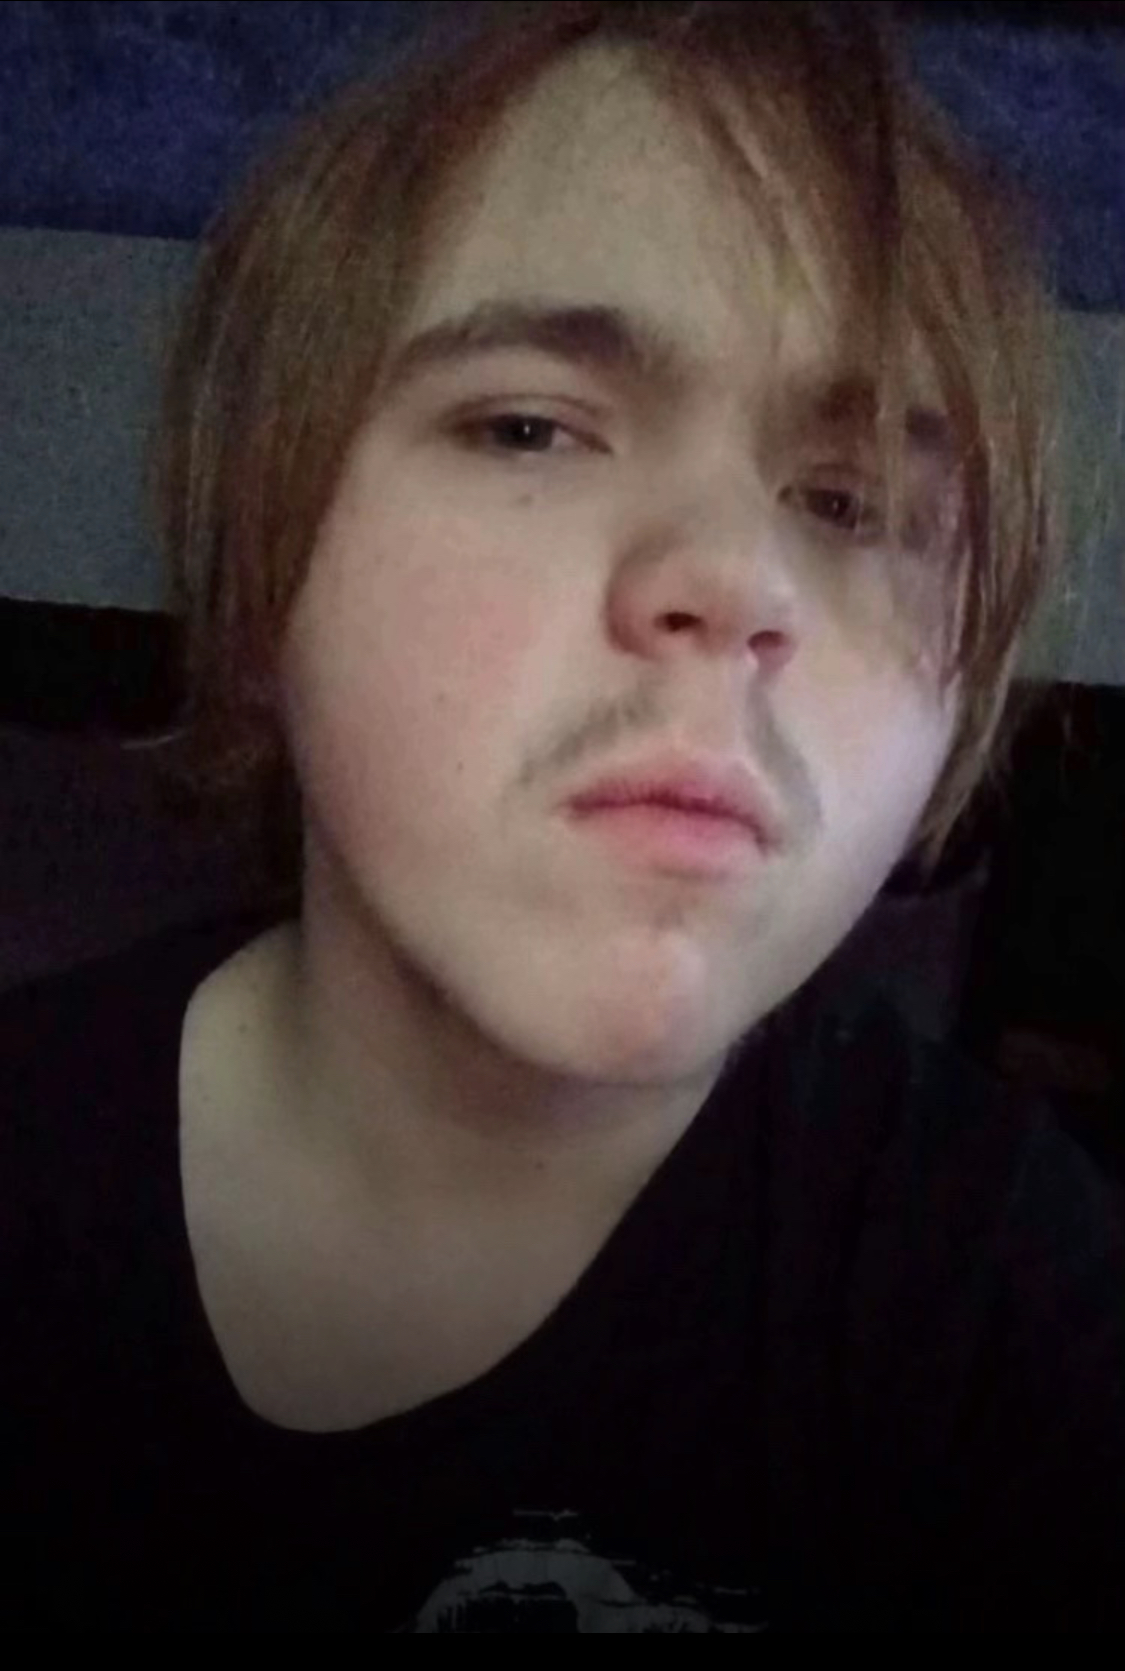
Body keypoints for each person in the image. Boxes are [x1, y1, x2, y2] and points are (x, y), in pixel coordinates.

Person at [3, 0, 1121, 1633]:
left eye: (850, 500)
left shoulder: (997, 1303)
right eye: (528, 428)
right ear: (264, 545)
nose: (735, 582)